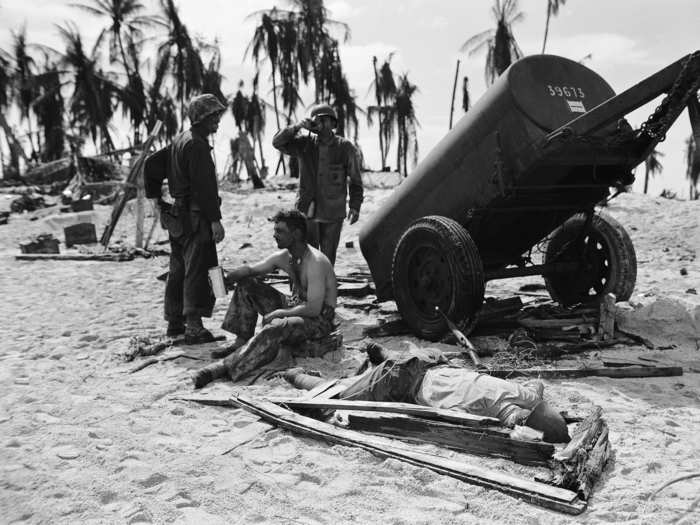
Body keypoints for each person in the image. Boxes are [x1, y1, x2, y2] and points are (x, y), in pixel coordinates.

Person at [288, 342, 571, 443]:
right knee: (338, 395)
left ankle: (384, 354)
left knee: (397, 363)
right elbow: (520, 428)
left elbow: (536, 388)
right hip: (401, 381)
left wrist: (546, 417)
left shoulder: (524, 394)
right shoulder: (508, 412)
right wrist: (539, 434)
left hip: (431, 359)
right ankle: (295, 376)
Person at [193, 209, 338, 388]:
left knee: (276, 327)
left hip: (319, 321)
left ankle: (224, 367)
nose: (274, 235)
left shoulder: (315, 263)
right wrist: (228, 278)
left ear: (297, 233)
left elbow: (314, 309)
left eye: (280, 231)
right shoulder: (286, 256)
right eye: (275, 230)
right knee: (247, 284)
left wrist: (279, 313)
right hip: (296, 307)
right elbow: (252, 270)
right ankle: (241, 341)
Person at [147, 94, 227, 344]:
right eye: (213, 116)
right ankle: (193, 327)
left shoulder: (180, 140)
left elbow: (151, 165)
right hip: (195, 218)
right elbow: (205, 189)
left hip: (177, 217)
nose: (217, 120)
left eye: (218, 115)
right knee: (198, 269)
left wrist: (157, 202)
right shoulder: (197, 145)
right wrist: (215, 220)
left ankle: (174, 322)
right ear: (201, 117)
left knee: (178, 269)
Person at [272, 104, 363, 265]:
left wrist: (355, 206)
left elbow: (355, 180)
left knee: (327, 259)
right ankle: (301, 289)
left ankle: (324, 288)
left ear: (334, 124)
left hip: (333, 213)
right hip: (306, 211)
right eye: (318, 120)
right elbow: (277, 142)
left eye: (325, 120)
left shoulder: (345, 147)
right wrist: (297, 127)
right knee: (303, 256)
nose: (321, 124)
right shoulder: (304, 144)